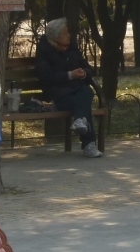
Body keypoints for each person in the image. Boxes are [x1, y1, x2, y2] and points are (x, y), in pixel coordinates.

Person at [35, 18, 102, 158]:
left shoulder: (72, 48)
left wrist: (84, 73)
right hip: (57, 95)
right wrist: (70, 75)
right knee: (83, 102)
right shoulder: (44, 51)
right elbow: (46, 77)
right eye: (66, 33)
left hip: (77, 90)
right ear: (56, 37)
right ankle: (89, 145)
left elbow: (88, 68)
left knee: (86, 92)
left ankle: (80, 121)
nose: (69, 35)